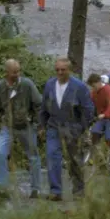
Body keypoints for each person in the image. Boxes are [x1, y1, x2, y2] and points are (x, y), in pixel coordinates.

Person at [39, 57, 94, 201]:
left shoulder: (79, 87)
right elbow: (44, 106)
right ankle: (55, 191)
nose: (60, 72)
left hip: (72, 126)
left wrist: (82, 127)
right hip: (53, 125)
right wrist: (41, 125)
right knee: (52, 156)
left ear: (69, 70)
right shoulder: (50, 85)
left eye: (63, 70)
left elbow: (88, 109)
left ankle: (79, 190)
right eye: (57, 69)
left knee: (74, 159)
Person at [0, 59, 43, 198]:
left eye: (19, 71)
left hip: (27, 126)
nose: (17, 74)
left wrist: (37, 122)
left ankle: (36, 189)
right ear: (6, 72)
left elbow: (38, 104)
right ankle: (2, 188)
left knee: (33, 156)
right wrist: (2, 116)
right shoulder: (0, 87)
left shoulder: (27, 84)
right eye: (14, 72)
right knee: (0, 153)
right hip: (8, 126)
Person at [87, 73, 110, 176]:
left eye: (94, 86)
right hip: (102, 118)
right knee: (94, 132)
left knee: (109, 137)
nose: (93, 89)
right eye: (91, 87)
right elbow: (89, 102)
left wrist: (105, 114)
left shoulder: (108, 90)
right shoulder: (94, 92)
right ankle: (100, 158)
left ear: (99, 82)